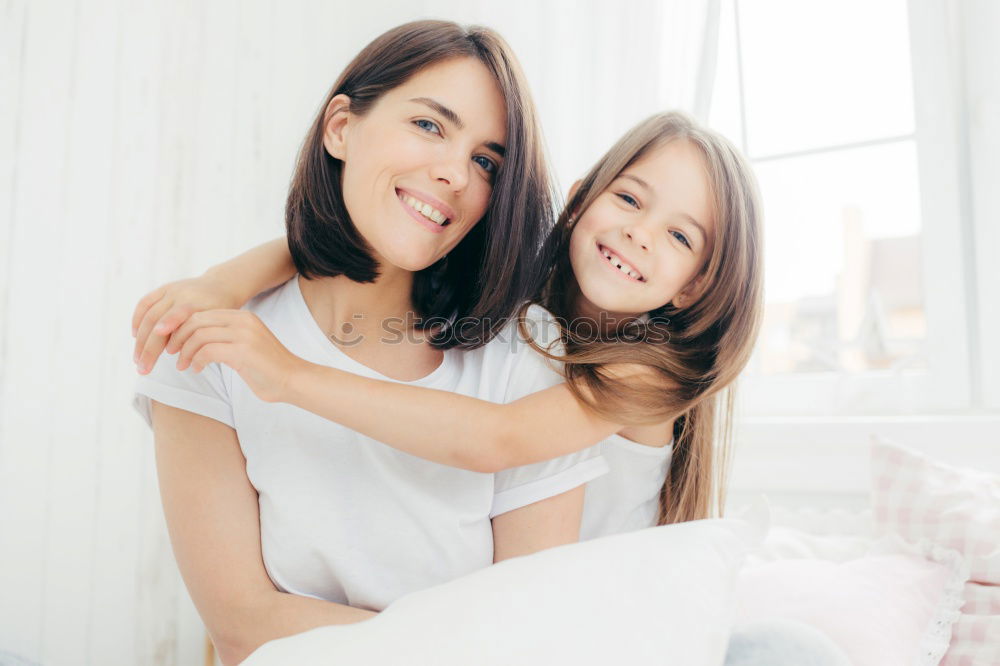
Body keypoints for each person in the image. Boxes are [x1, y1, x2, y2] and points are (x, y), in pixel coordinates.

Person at [131, 20, 607, 666]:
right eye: (430, 126)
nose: (454, 175)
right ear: (340, 128)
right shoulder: (213, 334)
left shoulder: (524, 353)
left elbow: (524, 629)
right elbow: (241, 623)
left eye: (485, 161)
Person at [135, 110, 763, 540]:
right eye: (628, 198)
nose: (638, 232)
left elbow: (495, 440)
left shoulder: (649, 372)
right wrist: (225, 282)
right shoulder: (528, 313)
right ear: (578, 203)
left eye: (679, 236)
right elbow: (348, 249)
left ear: (695, 286)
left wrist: (289, 377)